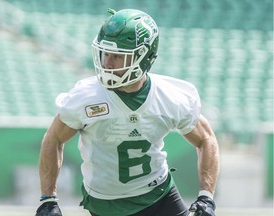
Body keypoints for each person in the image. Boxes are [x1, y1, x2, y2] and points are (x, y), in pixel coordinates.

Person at [35, 8, 220, 216]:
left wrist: (206, 196)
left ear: (143, 58)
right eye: (106, 54)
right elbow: (53, 138)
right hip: (106, 205)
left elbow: (206, 138)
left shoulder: (169, 97)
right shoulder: (86, 97)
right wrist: (48, 199)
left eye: (118, 56)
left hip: (159, 195)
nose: (107, 63)